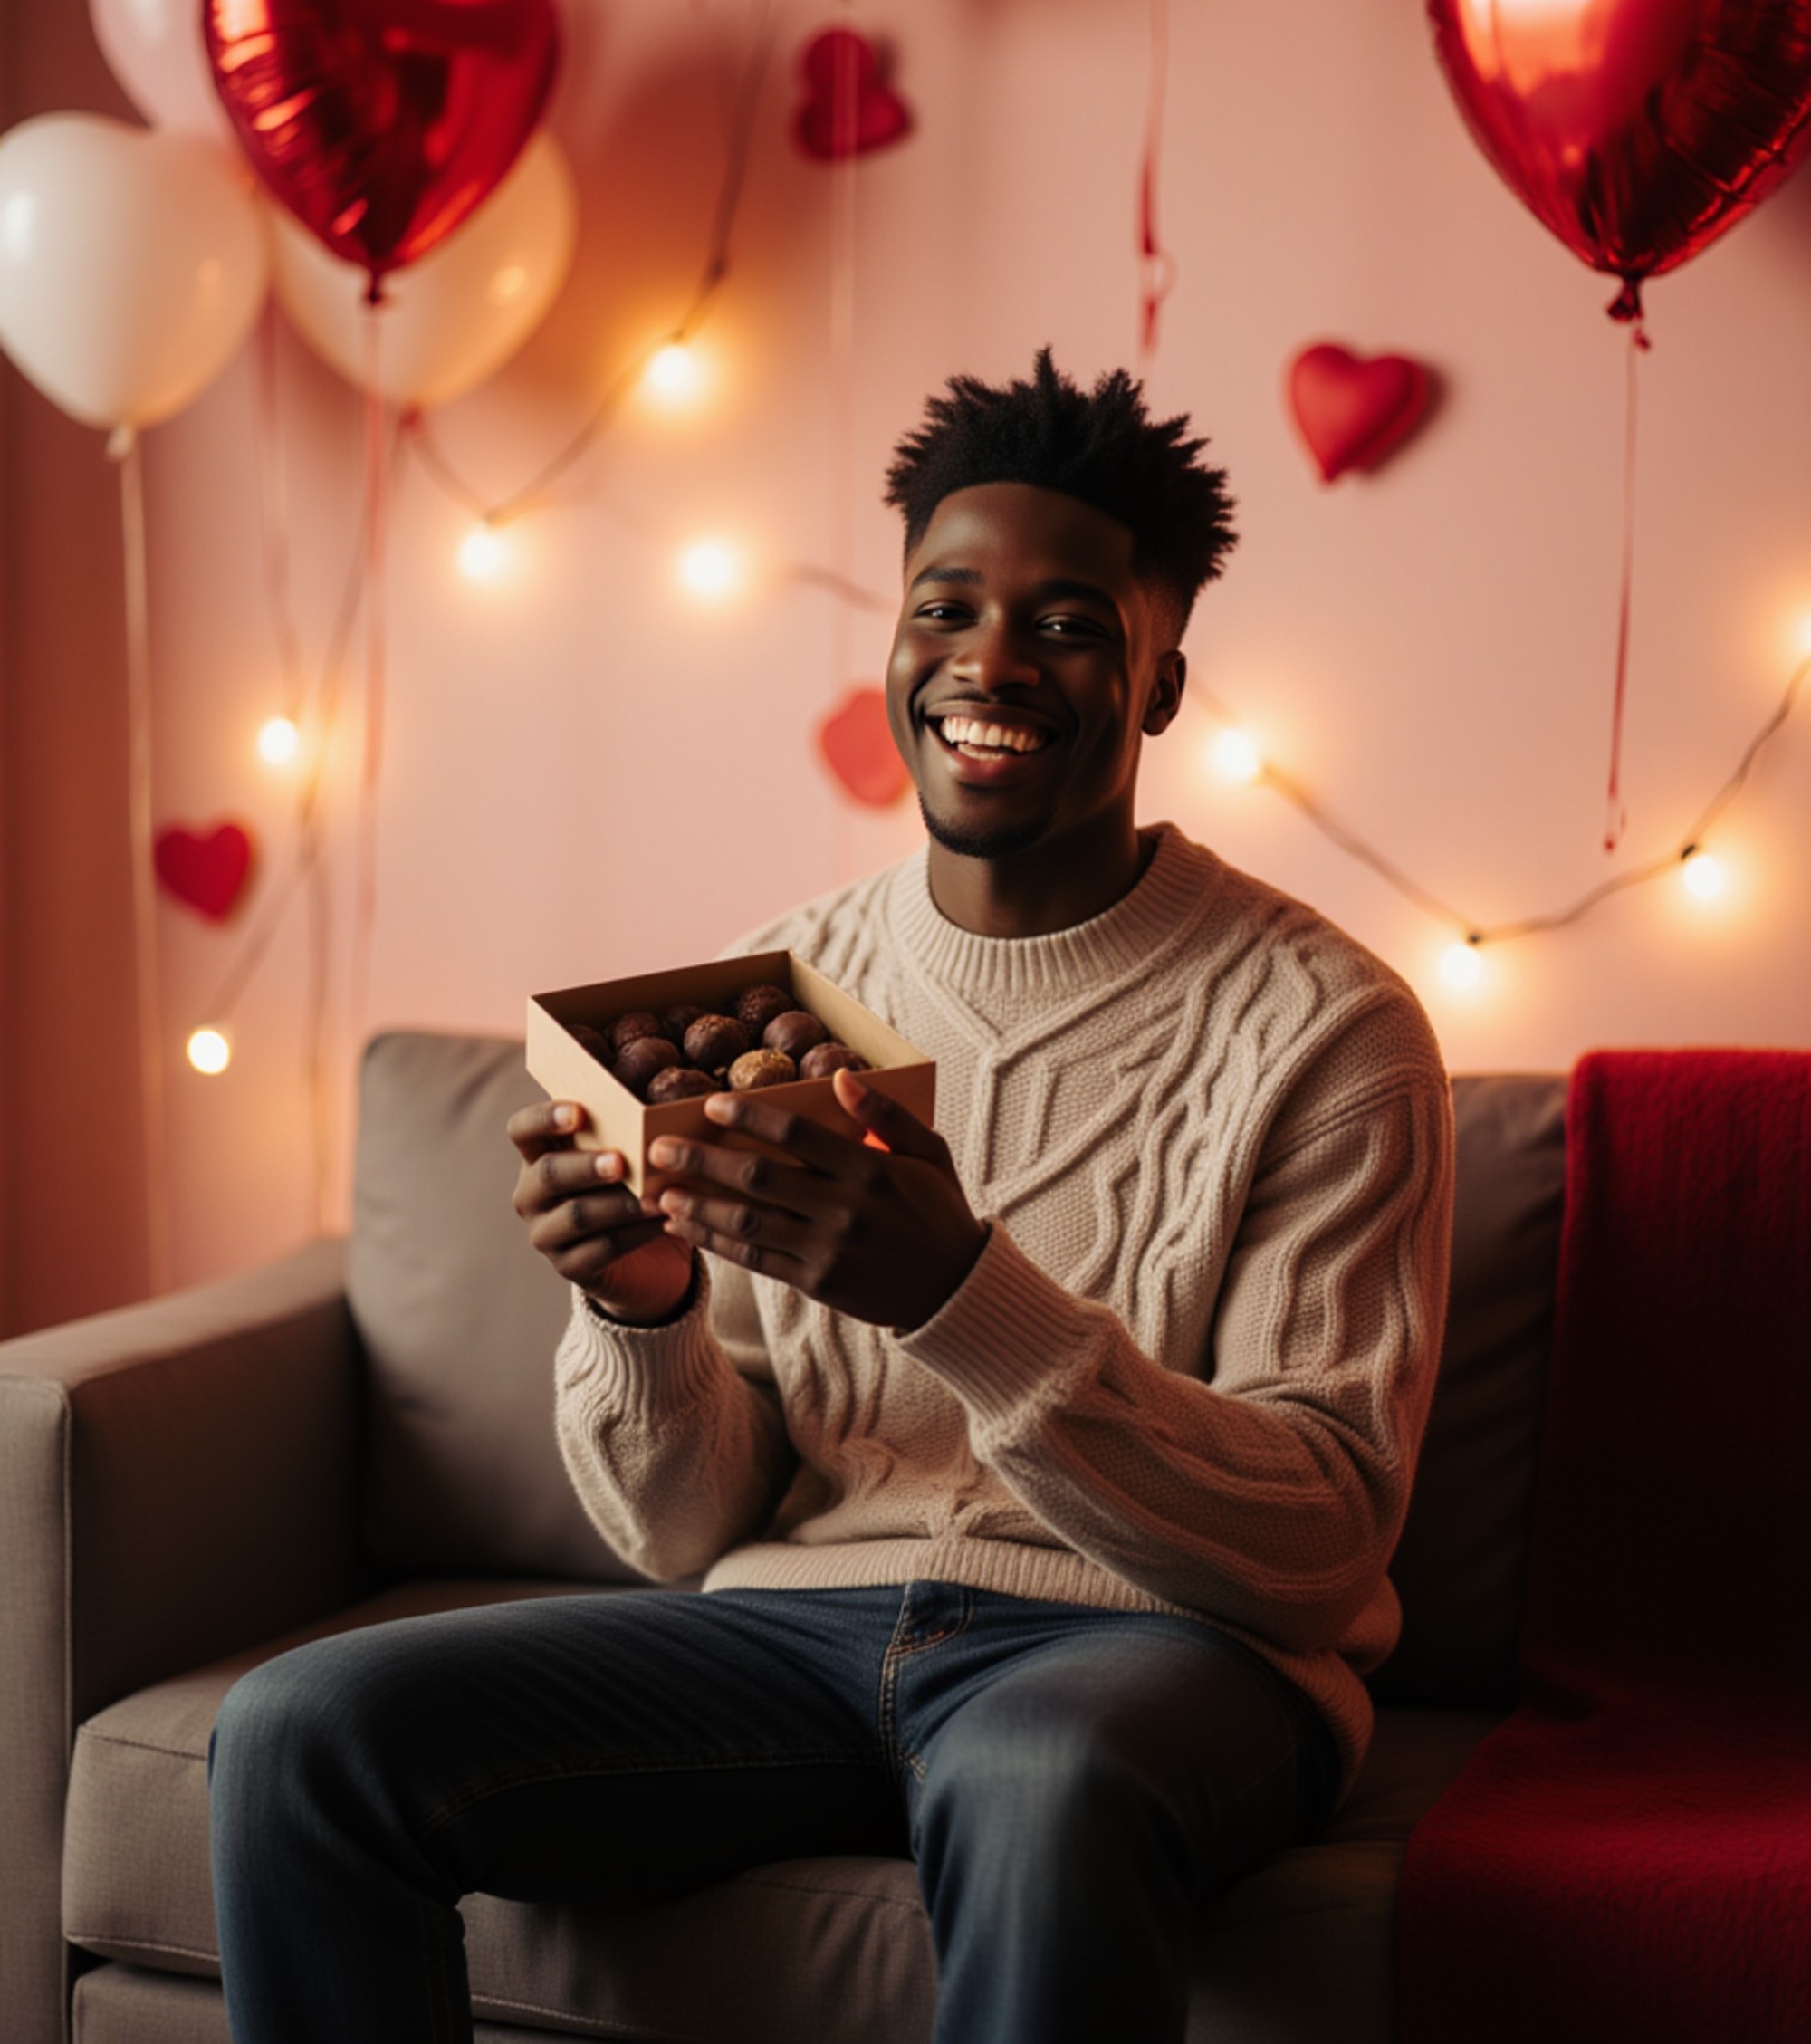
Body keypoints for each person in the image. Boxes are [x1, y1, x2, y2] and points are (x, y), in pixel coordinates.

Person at [209, 350, 1453, 2044]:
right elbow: (685, 1533)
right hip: (795, 1638)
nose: (990, 661)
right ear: (894, 648)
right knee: (300, 1733)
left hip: (1157, 1662)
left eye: (1073, 622)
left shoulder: (1334, 1030)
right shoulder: (799, 977)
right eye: (944, 607)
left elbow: (1318, 1546)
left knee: (1043, 1772)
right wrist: (643, 1309)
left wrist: (965, 1299)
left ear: (1163, 686)